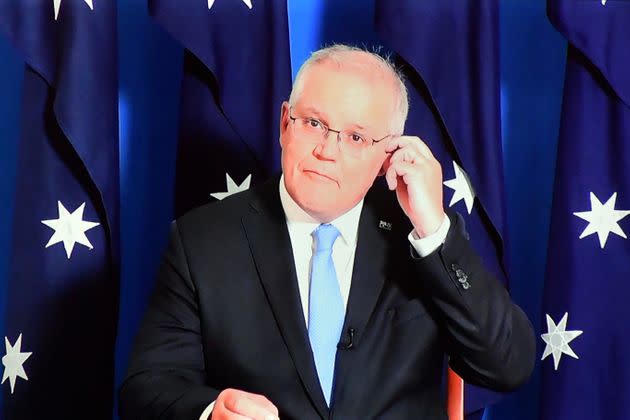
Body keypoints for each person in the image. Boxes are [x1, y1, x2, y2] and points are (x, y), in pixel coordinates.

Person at [119, 44, 535, 420]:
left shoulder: (424, 236)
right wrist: (213, 412)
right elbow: (147, 389)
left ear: (387, 153)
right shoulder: (202, 241)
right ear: (285, 123)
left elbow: (506, 365)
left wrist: (433, 231)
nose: (326, 151)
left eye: (355, 137)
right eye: (314, 123)